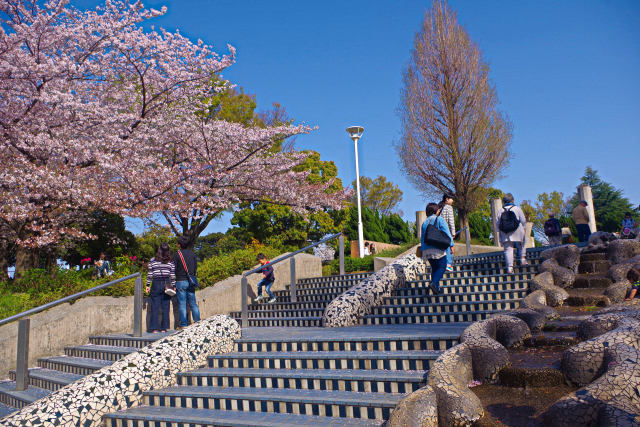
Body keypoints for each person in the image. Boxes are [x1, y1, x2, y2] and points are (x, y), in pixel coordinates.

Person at [421, 202, 453, 294]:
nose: (439, 211)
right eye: (438, 210)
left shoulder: (425, 222)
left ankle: (437, 289)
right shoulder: (439, 219)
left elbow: (422, 237)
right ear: (435, 211)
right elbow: (447, 234)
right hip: (437, 248)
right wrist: (451, 245)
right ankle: (434, 283)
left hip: (427, 250)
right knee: (442, 266)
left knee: (435, 268)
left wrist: (423, 249)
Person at [145, 243, 175, 333]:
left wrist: (147, 285)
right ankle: (164, 328)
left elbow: (150, 274)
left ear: (159, 250)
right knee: (166, 306)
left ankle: (154, 328)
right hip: (167, 283)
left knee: (155, 306)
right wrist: (173, 286)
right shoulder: (170, 261)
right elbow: (172, 275)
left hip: (156, 283)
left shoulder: (152, 260)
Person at [173, 236, 201, 330]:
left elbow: (174, 268)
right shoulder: (192, 254)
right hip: (191, 281)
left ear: (179, 245)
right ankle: (197, 322)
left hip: (180, 281)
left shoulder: (177, 254)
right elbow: (195, 267)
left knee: (182, 303)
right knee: (193, 303)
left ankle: (184, 324)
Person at [498, 193, 528, 274]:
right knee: (522, 243)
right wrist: (524, 228)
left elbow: (498, 224)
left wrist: (500, 235)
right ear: (512, 200)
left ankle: (510, 268)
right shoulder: (517, 208)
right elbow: (523, 220)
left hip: (505, 233)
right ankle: (522, 259)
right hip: (517, 230)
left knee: (508, 250)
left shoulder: (500, 210)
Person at [439, 194, 456, 272]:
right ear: (447, 199)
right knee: (449, 248)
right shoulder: (449, 208)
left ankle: (443, 264)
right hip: (447, 231)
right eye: (452, 199)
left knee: (443, 248)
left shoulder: (440, 207)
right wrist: (453, 232)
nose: (453, 201)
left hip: (440, 232)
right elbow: (451, 221)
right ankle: (448, 265)